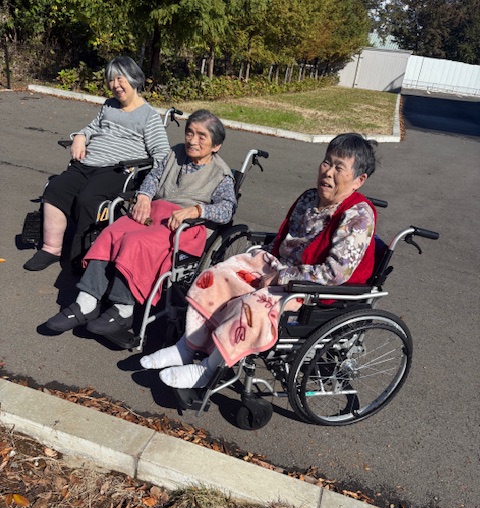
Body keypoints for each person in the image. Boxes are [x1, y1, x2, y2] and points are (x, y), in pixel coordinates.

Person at [140, 133, 378, 389]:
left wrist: (282, 277)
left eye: (339, 168)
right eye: (327, 162)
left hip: (310, 289)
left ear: (359, 180)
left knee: (251, 306)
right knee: (218, 276)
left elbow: (334, 273)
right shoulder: (310, 198)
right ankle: (187, 346)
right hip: (278, 267)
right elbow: (285, 240)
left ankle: (208, 370)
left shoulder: (358, 216)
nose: (328, 172)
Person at [45, 109, 236, 337]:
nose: (192, 140)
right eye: (190, 133)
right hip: (155, 212)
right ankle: (86, 302)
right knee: (111, 233)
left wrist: (196, 210)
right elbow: (154, 177)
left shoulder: (220, 174)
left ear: (216, 145)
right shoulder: (174, 153)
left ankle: (123, 309)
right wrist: (144, 196)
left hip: (186, 227)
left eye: (201, 136)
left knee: (135, 242)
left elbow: (227, 210)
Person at [24, 55, 170, 272]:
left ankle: (81, 257)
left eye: (120, 79)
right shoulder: (109, 105)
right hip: (88, 163)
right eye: (111, 80)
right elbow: (92, 128)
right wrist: (80, 136)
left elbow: (162, 154)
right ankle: (51, 248)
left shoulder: (149, 116)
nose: (115, 85)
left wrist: (148, 190)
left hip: (119, 169)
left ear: (133, 78)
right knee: (56, 188)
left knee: (88, 199)